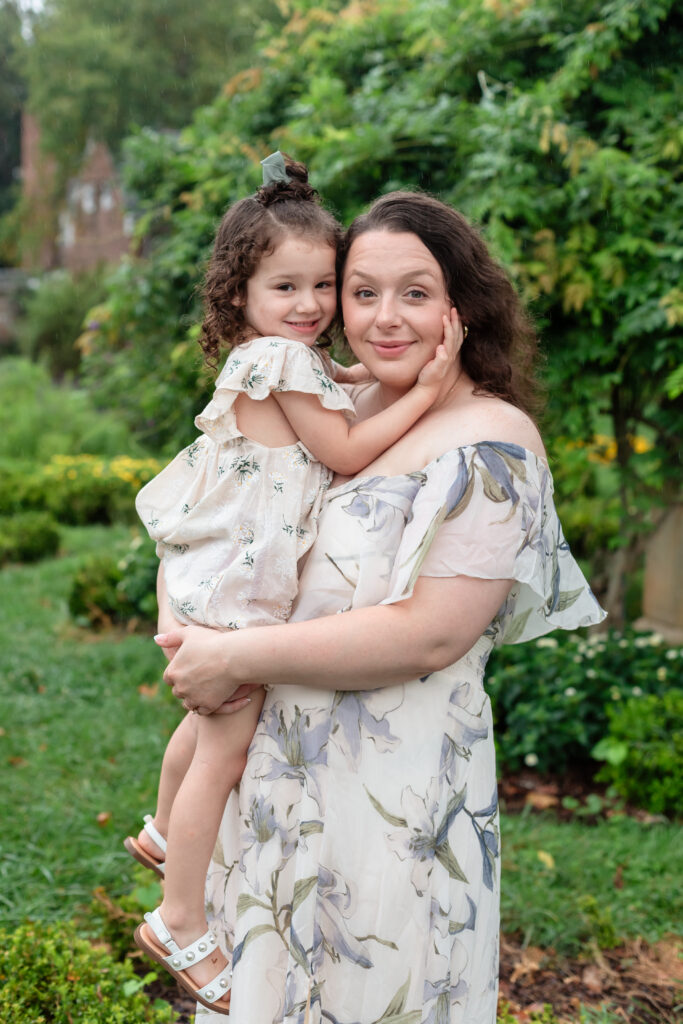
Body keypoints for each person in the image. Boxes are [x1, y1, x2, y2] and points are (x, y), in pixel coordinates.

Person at [153, 190, 606, 1024]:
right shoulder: (334, 409)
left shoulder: (489, 441)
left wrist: (233, 657)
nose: (383, 318)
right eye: (361, 293)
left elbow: (430, 634)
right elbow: (219, 511)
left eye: (415, 293)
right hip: (275, 789)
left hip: (388, 804)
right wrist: (185, 620)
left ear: (461, 307)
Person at [127, 158, 455, 1014]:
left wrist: (367, 381)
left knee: (202, 728)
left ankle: (163, 831)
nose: (309, 305)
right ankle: (178, 917)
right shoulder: (277, 358)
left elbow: (338, 391)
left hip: (215, 572)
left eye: (322, 284)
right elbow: (346, 449)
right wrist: (424, 391)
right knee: (226, 747)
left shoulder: (274, 357)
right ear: (241, 293)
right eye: (285, 286)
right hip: (239, 588)